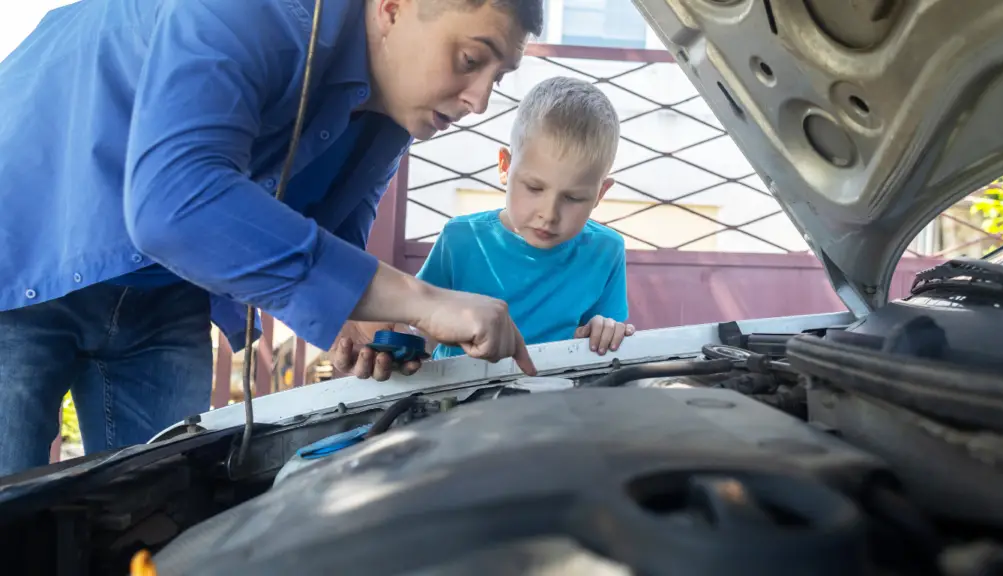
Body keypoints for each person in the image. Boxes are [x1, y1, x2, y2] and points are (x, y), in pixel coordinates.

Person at [0, 0, 542, 477]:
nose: (480, 100)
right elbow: (176, 202)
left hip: (167, 294)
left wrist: (354, 323)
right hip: (25, 247)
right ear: (393, 6)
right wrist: (424, 301)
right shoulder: (256, 9)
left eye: (498, 77)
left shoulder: (390, 120)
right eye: (472, 60)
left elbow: (333, 241)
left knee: (152, 520)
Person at [335, 76, 634, 379]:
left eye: (573, 197)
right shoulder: (461, 240)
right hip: (458, 402)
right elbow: (416, 326)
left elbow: (605, 342)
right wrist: (391, 343)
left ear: (599, 194)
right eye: (534, 187)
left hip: (554, 405)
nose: (549, 213)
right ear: (505, 166)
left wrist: (604, 330)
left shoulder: (606, 252)